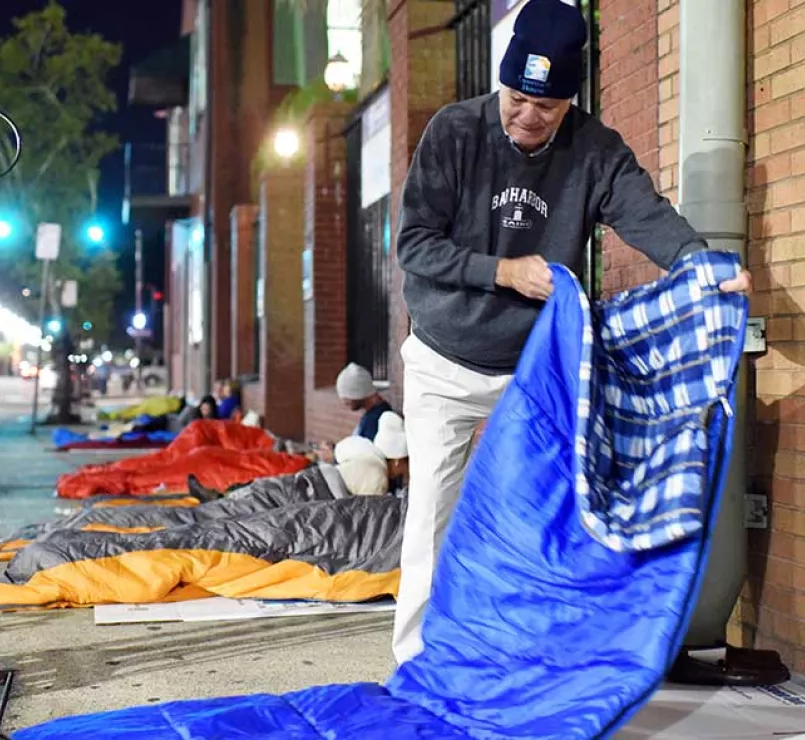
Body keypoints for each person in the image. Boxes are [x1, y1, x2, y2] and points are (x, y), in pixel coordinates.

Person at [391, 0, 753, 665]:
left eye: (547, 108)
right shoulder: (453, 131)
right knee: (431, 517)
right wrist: (502, 271)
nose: (528, 118)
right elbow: (412, 245)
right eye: (517, 99)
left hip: (534, 366)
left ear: (571, 101)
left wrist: (701, 263)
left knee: (549, 509)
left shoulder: (595, 150)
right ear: (501, 83)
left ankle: (538, 652)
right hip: (444, 360)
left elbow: (644, 213)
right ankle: (419, 661)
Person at [335, 362, 393, 441]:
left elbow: (368, 453)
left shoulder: (376, 420)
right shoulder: (372, 414)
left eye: (346, 396)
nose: (343, 401)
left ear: (358, 393)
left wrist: (333, 454)